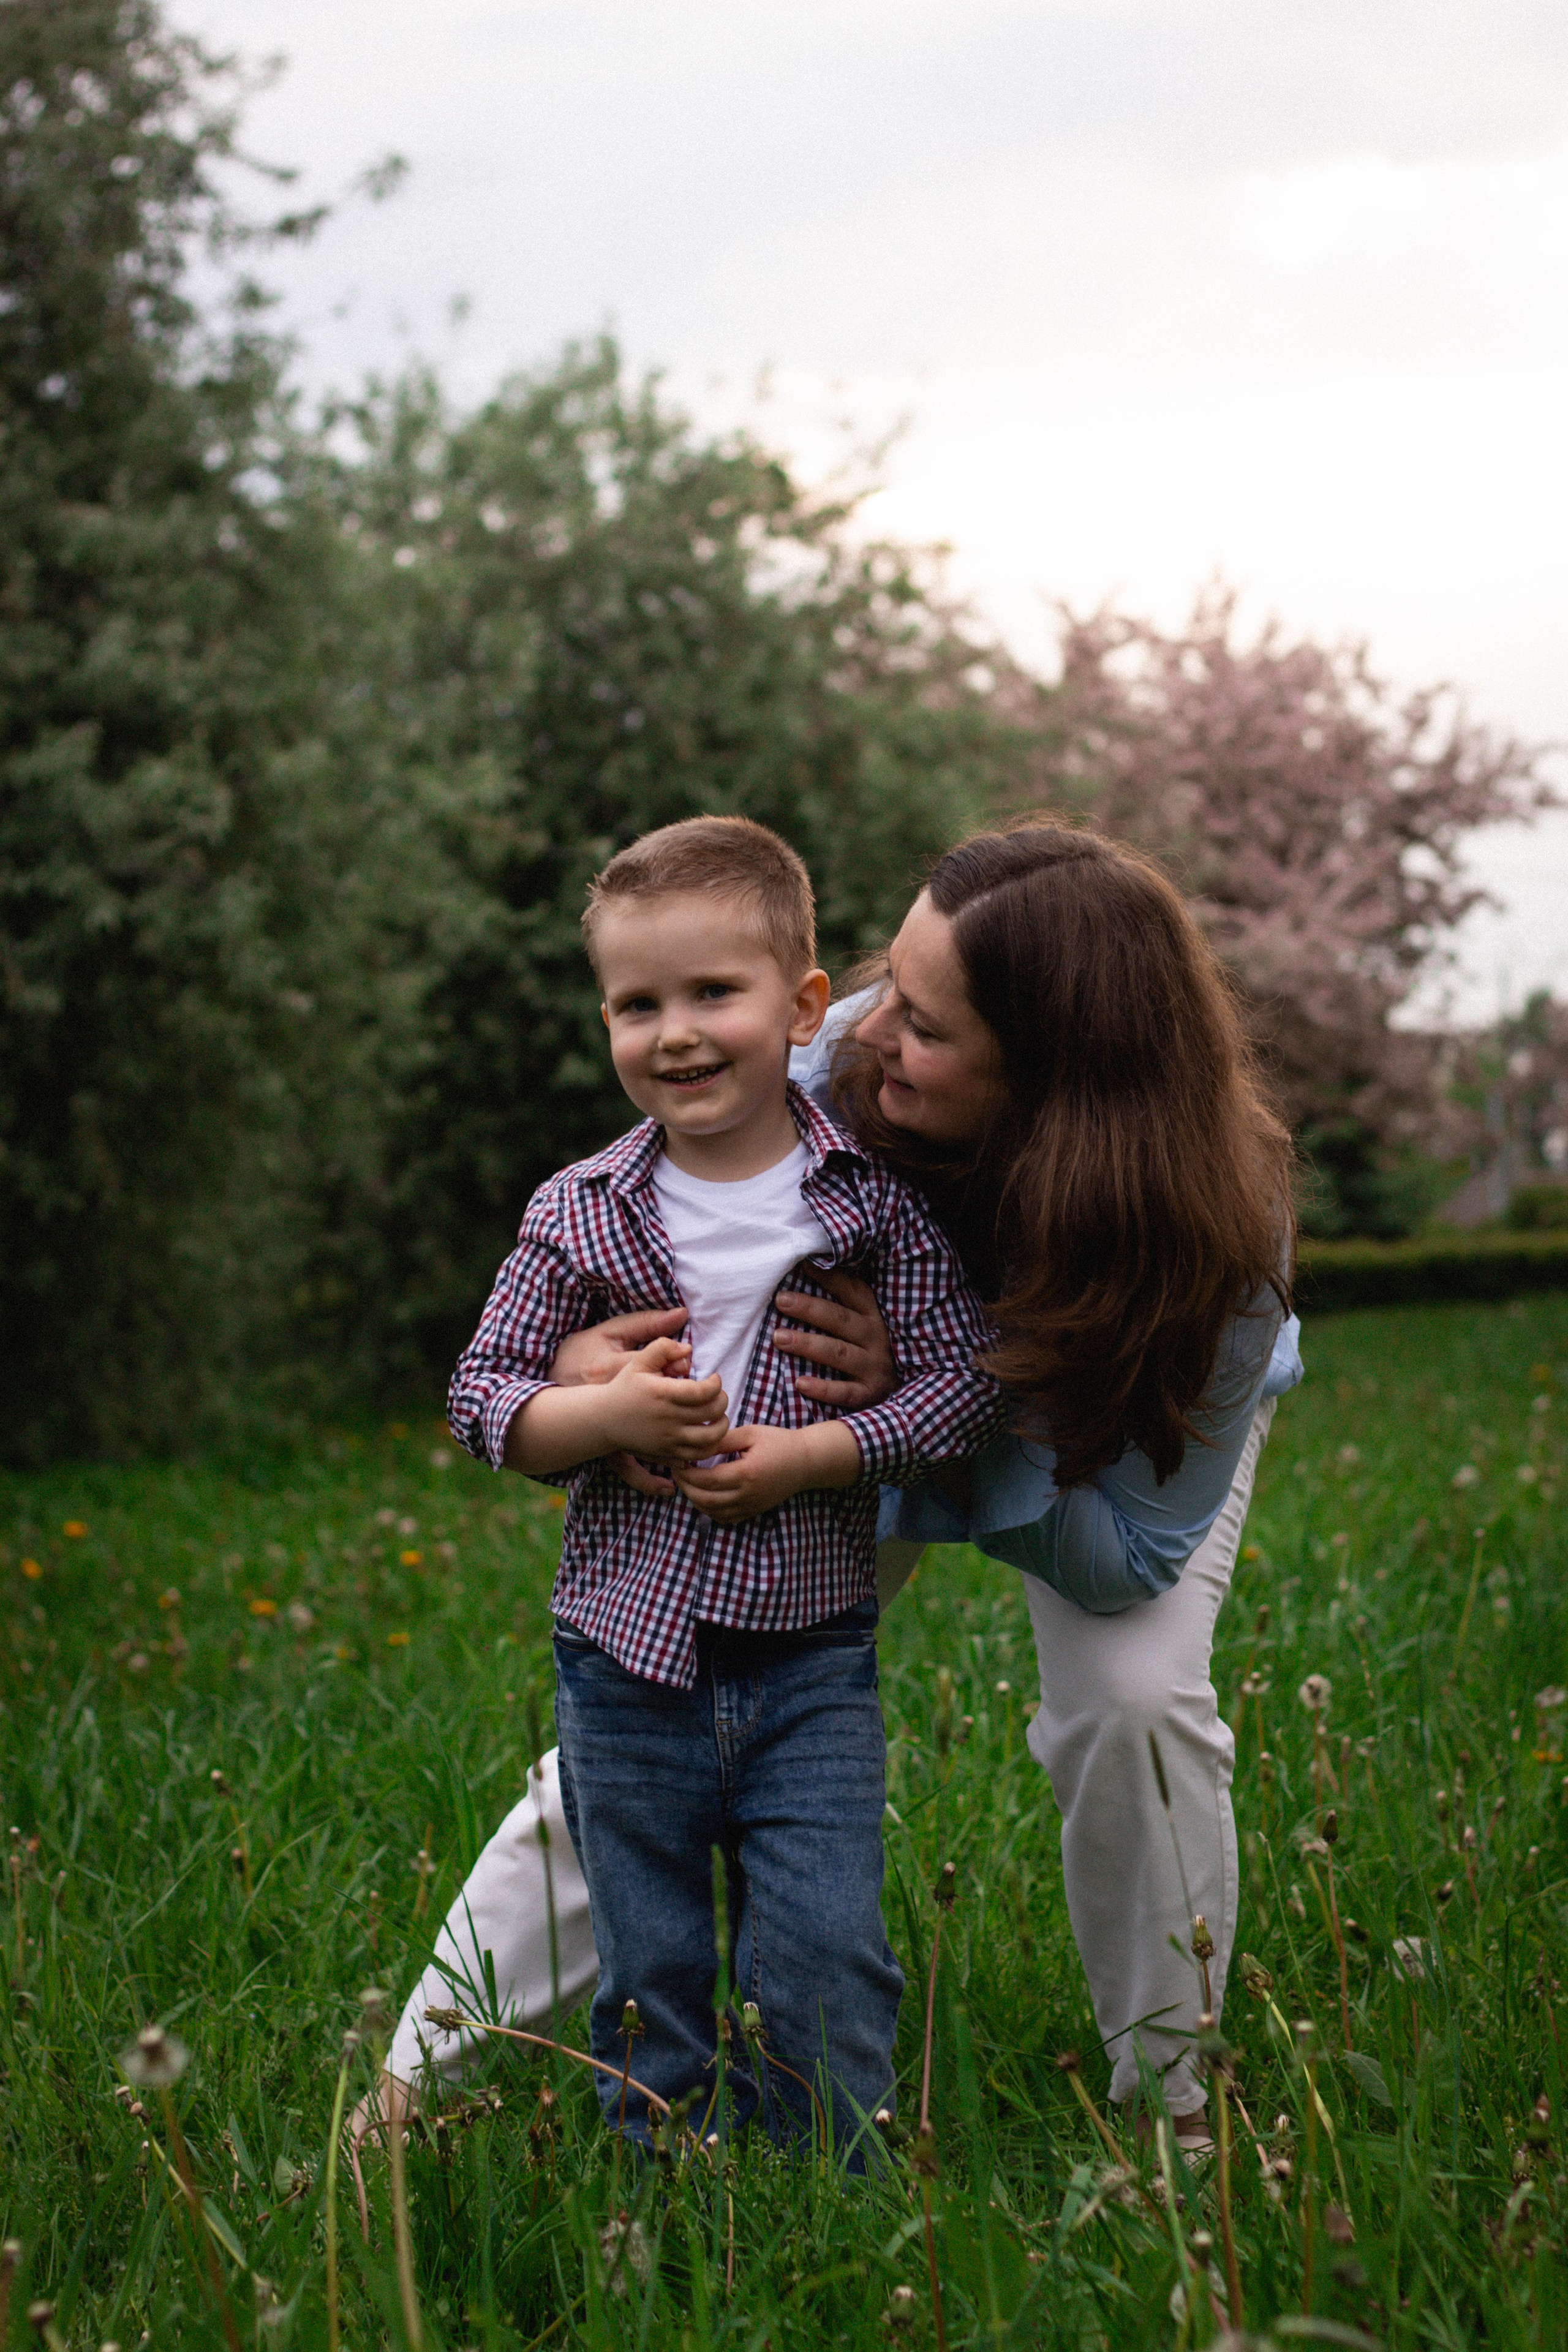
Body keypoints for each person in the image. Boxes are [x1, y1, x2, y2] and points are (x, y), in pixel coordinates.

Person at [373, 820, 1301, 2151]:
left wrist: (935, 1398)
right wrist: (586, 1366)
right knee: (656, 1697)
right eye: (882, 990)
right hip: (812, 1427)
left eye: (921, 1025)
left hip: (1078, 1443)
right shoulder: (828, 1056)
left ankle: (1173, 2110)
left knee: (1132, 1702)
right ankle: (413, 2077)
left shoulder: (1209, 1237)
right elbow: (638, 1241)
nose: (866, 1037)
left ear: (1050, 1078)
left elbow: (1121, 1559)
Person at [443, 815, 1001, 2154]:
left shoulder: (869, 1204)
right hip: (624, 1661)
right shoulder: (577, 1210)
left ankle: (825, 2194)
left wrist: (818, 1454)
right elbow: (482, 1400)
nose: (676, 1033)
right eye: (638, 1005)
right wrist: (599, 1412)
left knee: (821, 1951)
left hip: (809, 1656)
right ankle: (662, 2198)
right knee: (649, 1971)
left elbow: (960, 1388)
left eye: (713, 993)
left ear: (804, 1004)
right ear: (604, 1023)